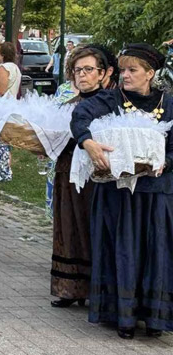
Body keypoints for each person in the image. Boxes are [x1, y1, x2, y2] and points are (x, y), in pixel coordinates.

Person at [71, 43, 173, 338]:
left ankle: (153, 318)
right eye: (123, 70)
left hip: (156, 193)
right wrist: (87, 141)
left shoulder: (168, 104)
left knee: (156, 252)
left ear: (150, 73)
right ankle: (123, 317)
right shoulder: (110, 98)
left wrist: (166, 162)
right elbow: (80, 116)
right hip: (119, 193)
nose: (125, 75)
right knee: (123, 250)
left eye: (132, 70)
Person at [49, 45, 116, 309]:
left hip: (96, 173)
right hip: (67, 170)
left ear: (103, 73)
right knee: (67, 225)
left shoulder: (110, 103)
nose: (82, 75)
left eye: (88, 69)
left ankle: (96, 288)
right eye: (78, 70)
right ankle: (70, 287)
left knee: (93, 227)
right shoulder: (67, 105)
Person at [0, 42, 21, 182]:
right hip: (9, 107)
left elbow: (1, 90)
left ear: (3, 55)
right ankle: (3, 170)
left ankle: (1, 173)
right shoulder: (15, 68)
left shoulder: (3, 68)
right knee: (4, 141)